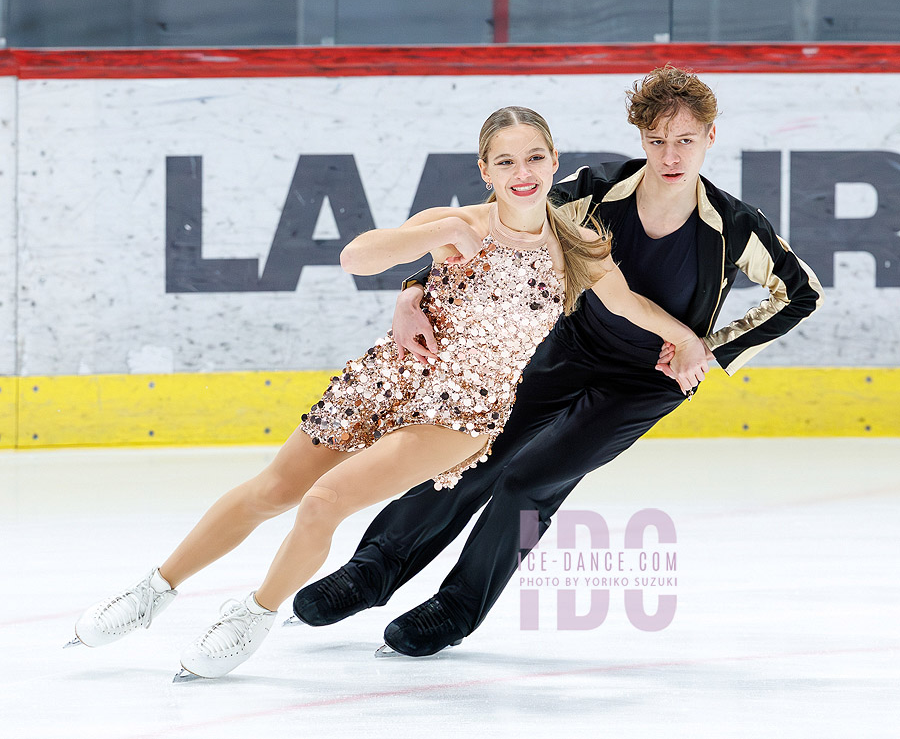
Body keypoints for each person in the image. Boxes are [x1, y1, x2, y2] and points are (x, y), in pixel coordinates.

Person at [68, 105, 710, 680]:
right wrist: (423, 248)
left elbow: (629, 305)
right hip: (390, 377)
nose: (523, 171)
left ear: (554, 163)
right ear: (485, 170)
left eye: (535, 157)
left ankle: (253, 614)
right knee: (273, 490)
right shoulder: (459, 224)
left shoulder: (578, 247)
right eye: (506, 160)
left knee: (322, 502)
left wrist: (690, 341)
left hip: (461, 409)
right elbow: (357, 257)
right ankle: (154, 590)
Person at [291, 65, 825, 657]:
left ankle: (460, 604)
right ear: (640, 138)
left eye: (686, 141)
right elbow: (494, 231)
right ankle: (373, 568)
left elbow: (802, 294)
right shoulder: (593, 191)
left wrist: (710, 348)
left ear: (711, 138)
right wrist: (414, 289)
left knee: (531, 481)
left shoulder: (734, 224)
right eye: (656, 141)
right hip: (570, 348)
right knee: (474, 447)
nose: (670, 155)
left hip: (646, 383)